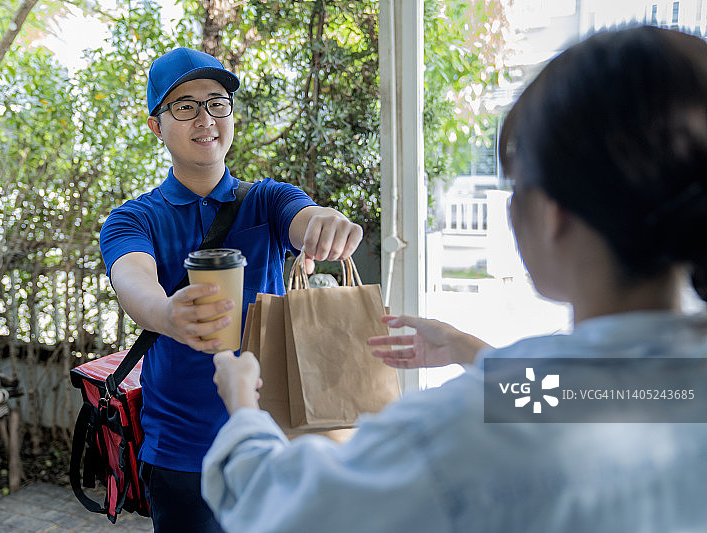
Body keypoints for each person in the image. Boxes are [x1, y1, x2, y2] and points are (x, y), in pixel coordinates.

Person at [202, 26, 707, 532]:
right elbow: (595, 394)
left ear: (554, 213)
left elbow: (286, 511)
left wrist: (244, 408)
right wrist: (468, 350)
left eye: (516, 185)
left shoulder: (452, 434)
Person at [99, 47, 362, 533]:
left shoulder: (267, 200)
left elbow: (302, 221)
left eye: (217, 102)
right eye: (185, 106)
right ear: (157, 125)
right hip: (181, 453)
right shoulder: (134, 218)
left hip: (271, 440)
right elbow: (131, 278)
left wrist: (325, 226)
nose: (206, 118)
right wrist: (166, 313)